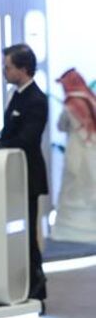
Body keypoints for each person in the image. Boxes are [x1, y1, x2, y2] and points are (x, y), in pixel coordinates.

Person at [0, 44, 48, 301]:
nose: (4, 71)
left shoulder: (36, 99)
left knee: (27, 235)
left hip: (27, 175)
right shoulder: (16, 96)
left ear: (24, 69)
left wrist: (1, 145)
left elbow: (27, 139)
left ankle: (36, 288)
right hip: (12, 175)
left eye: (8, 67)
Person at [51, 68, 96, 242]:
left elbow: (61, 125)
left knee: (73, 188)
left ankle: (72, 230)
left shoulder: (71, 103)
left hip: (76, 150)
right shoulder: (90, 98)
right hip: (92, 151)